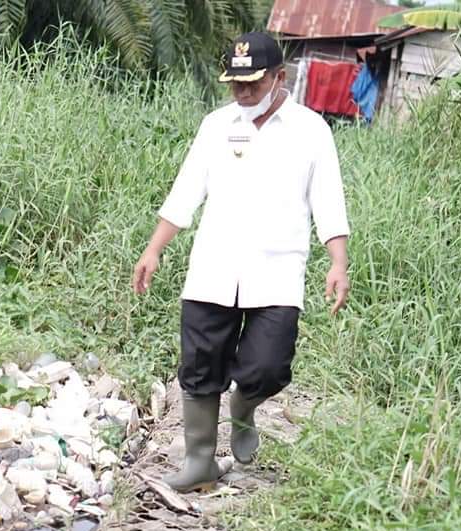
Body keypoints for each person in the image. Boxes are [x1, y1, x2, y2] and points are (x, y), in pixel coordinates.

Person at [132, 31, 351, 494]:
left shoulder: (311, 131)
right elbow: (186, 191)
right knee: (200, 364)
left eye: (253, 83)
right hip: (213, 265)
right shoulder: (216, 125)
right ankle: (200, 460)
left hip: (277, 270)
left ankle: (244, 408)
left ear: (279, 77)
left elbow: (329, 202)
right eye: (235, 83)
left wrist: (338, 263)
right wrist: (154, 249)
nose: (243, 92)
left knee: (268, 366)